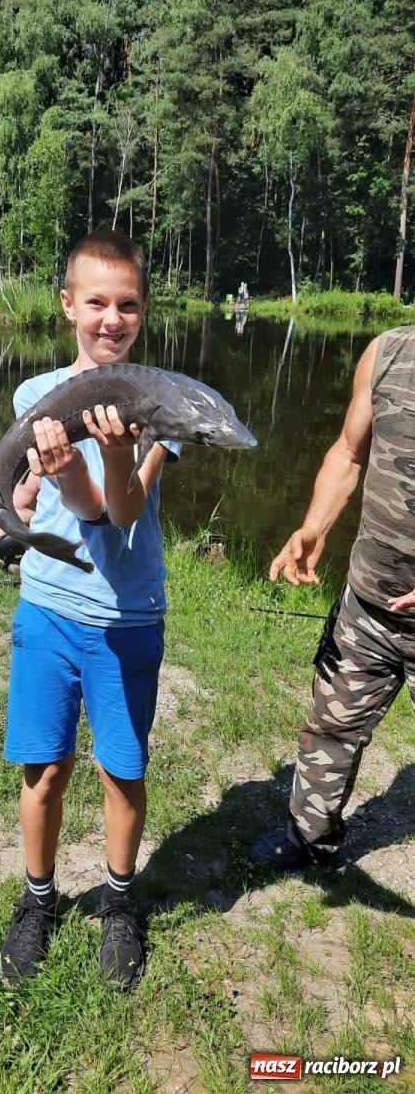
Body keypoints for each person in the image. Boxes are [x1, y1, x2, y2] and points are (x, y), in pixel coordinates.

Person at [0, 229, 180, 989]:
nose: (110, 318)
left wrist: (115, 457)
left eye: (126, 304)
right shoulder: (36, 397)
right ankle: (37, 900)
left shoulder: (158, 403)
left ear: (142, 313)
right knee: (44, 768)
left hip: (128, 618)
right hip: (47, 612)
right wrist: (13, 506)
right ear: (67, 305)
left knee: (120, 770)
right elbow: (16, 497)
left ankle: (121, 901)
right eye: (95, 301)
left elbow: (118, 514)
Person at [264, 324, 415, 869]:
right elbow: (350, 453)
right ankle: (310, 841)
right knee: (329, 729)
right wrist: (314, 527)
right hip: (367, 606)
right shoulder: (389, 351)